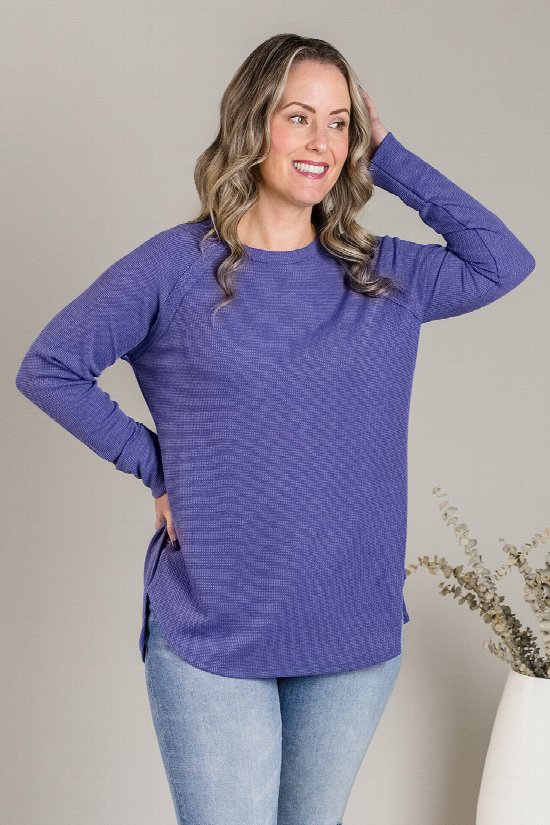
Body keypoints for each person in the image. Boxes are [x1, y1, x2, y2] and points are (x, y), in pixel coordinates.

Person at [15, 33, 535, 825]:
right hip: (216, 624)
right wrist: (156, 467)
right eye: (299, 117)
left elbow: (503, 260)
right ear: (253, 123)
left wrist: (388, 154)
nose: (321, 142)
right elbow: (50, 365)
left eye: (339, 123)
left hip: (350, 631)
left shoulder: (383, 274)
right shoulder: (176, 267)